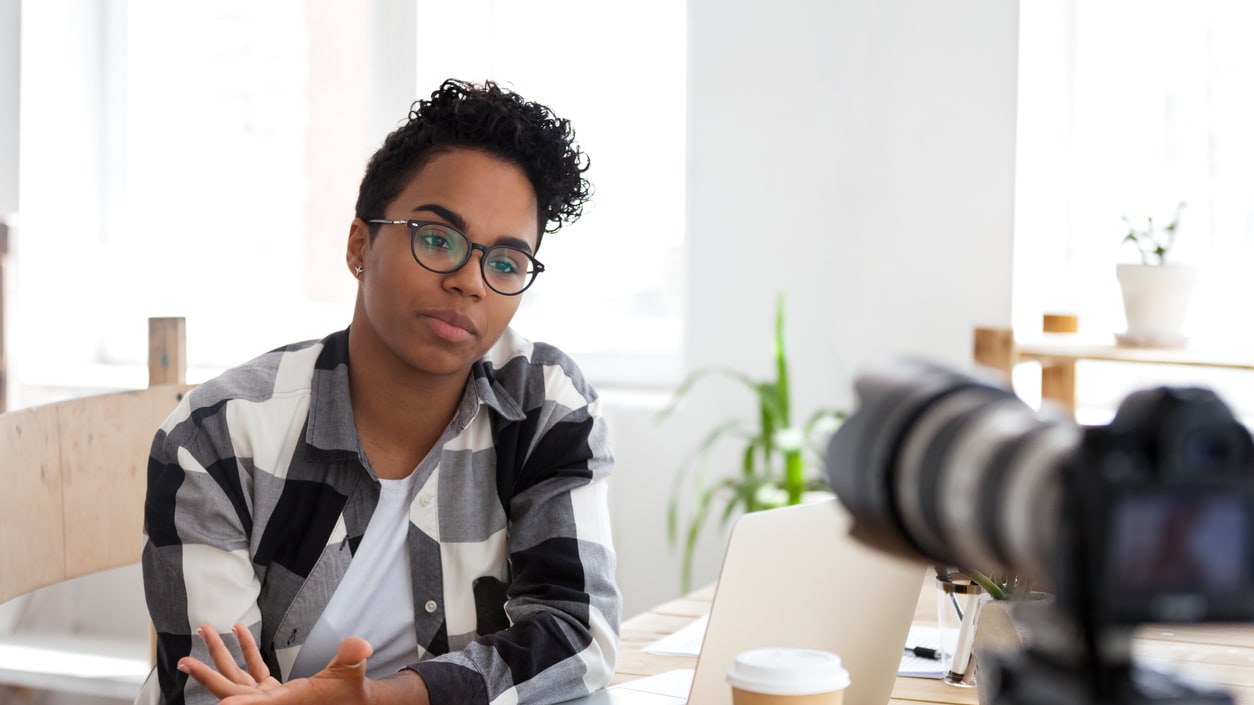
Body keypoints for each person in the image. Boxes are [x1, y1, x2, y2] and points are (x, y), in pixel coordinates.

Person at [138, 78, 621, 705]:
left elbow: (577, 634)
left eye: (505, 263)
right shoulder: (218, 436)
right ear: (359, 245)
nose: (470, 282)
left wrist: (378, 697)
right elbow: (214, 693)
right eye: (437, 239)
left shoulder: (545, 405)